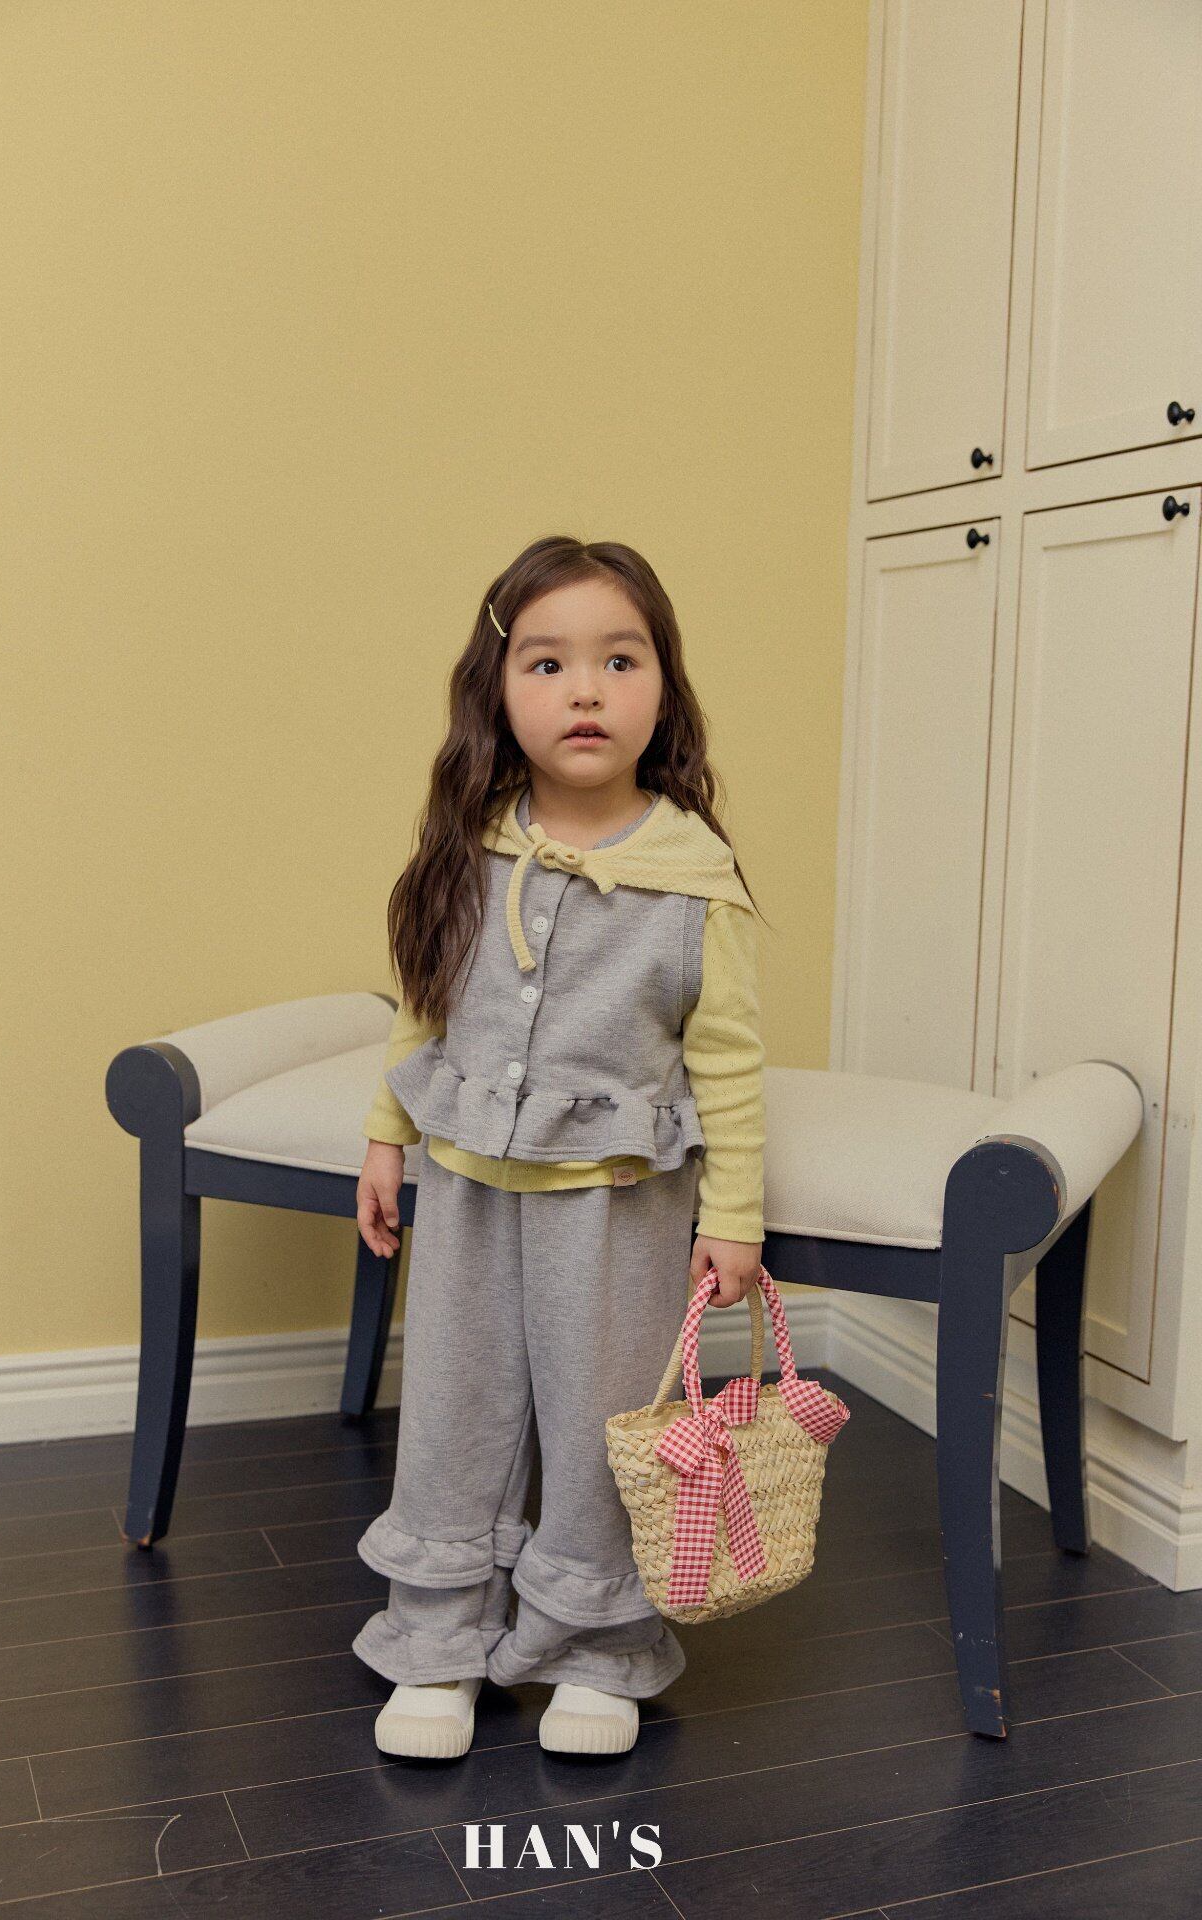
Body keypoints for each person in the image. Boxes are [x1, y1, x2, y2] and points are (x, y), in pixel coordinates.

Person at [352, 534, 767, 1759]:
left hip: (616, 1203)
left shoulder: (695, 881)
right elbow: (423, 1009)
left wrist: (733, 1215)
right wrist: (386, 1137)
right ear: (496, 692)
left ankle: (596, 1650)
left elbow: (728, 1060)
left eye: (617, 661)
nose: (583, 690)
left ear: (663, 688)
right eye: (546, 663)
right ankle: (437, 1644)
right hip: (468, 1186)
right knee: (452, 1412)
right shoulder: (467, 848)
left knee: (603, 1425)